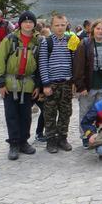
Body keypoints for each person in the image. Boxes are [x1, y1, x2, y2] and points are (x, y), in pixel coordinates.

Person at [0, 11, 40, 160]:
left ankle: (23, 141)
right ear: (20, 24)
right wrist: (0, 83)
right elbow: (0, 61)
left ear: (34, 24)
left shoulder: (37, 42)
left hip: (28, 84)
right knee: (11, 114)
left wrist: (38, 85)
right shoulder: (10, 39)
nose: (28, 24)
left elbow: (40, 65)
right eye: (25, 22)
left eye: (31, 22)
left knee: (26, 115)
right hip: (10, 83)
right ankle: (13, 143)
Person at [73, 18, 102, 146]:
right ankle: (86, 137)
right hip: (89, 85)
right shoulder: (85, 43)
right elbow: (78, 66)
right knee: (85, 112)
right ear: (93, 29)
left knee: (101, 112)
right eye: (98, 28)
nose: (100, 31)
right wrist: (81, 86)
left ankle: (100, 136)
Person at [39, 14, 80, 154]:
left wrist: (74, 81)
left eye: (63, 25)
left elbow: (75, 62)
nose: (60, 27)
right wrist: (45, 84)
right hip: (52, 83)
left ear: (67, 24)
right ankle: (51, 139)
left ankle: (63, 138)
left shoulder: (71, 41)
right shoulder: (46, 42)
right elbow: (43, 64)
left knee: (65, 112)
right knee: (50, 113)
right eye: (57, 25)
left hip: (66, 83)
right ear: (51, 26)